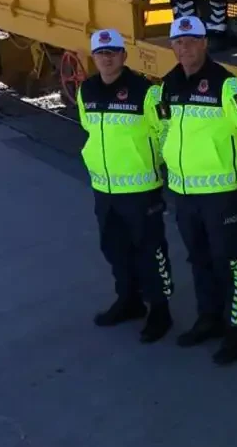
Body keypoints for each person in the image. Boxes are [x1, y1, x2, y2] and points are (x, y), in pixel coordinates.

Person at [156, 15, 237, 363]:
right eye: (178, 42)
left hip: (221, 194)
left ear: (204, 43)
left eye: (191, 41)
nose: (185, 48)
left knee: (229, 263)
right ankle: (209, 319)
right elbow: (164, 130)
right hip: (183, 193)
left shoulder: (229, 87)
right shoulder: (167, 85)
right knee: (198, 259)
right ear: (173, 46)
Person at [75, 27, 175, 342]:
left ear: (124, 55)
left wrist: (149, 163)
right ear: (94, 57)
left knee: (151, 251)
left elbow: (166, 132)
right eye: (100, 53)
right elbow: (88, 130)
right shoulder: (86, 90)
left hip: (141, 189)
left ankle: (160, 310)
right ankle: (129, 300)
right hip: (104, 189)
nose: (106, 58)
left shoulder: (145, 91)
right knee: (115, 248)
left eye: (112, 52)